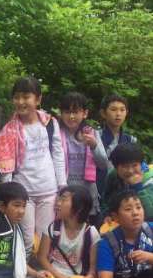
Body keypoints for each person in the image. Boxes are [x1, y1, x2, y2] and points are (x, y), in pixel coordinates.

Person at [0, 76, 66, 252]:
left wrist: (62, 188)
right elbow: (6, 167)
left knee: (45, 240)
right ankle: (24, 270)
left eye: (26, 97)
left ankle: (42, 269)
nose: (21, 102)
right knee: (26, 241)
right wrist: (8, 195)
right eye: (17, 97)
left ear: (38, 99)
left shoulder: (50, 124)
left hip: (49, 192)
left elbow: (58, 155)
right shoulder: (9, 130)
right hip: (23, 194)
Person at [38, 185, 101, 278]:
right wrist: (59, 277)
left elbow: (93, 269)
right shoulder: (53, 228)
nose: (57, 203)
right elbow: (42, 257)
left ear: (79, 207)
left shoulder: (91, 233)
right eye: (58, 199)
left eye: (63, 199)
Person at [97, 191, 153, 278]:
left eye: (138, 207)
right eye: (128, 209)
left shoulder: (150, 230)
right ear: (115, 217)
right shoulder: (108, 242)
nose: (135, 213)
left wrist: (150, 257)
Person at [58, 91, 108, 225]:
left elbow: (103, 164)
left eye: (75, 112)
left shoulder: (92, 133)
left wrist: (94, 146)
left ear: (85, 113)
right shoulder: (56, 134)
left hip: (88, 195)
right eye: (67, 112)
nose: (71, 116)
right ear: (61, 113)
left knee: (88, 233)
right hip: (64, 192)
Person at [98, 94, 137, 196]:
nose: (118, 114)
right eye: (113, 109)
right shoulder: (95, 136)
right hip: (99, 189)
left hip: (124, 191)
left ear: (126, 113)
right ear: (103, 113)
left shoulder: (131, 140)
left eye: (122, 110)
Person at [102, 143, 153, 221]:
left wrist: (138, 187)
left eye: (135, 165)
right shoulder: (113, 176)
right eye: (125, 166)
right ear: (116, 167)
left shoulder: (149, 179)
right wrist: (108, 214)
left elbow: (150, 214)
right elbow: (106, 201)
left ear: (141, 164)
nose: (130, 171)